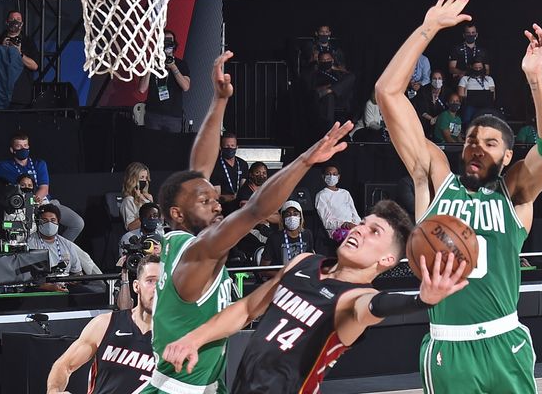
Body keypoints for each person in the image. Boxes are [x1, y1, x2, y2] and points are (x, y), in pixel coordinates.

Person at [376, 0, 542, 393]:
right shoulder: (434, 175)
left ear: (508, 154)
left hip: (506, 341)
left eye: (491, 143)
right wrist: (427, 28)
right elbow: (387, 94)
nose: (478, 148)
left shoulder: (516, 193)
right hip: (451, 345)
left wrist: (536, 78)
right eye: (472, 140)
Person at [142, 50, 356, 393]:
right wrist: (304, 160)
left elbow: (198, 169)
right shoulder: (199, 252)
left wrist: (219, 101)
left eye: (215, 197)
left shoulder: (180, 240)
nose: (215, 204)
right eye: (205, 201)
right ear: (177, 215)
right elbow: (255, 211)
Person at [161, 200, 467, 394]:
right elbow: (246, 308)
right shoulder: (303, 262)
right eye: (362, 222)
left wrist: (421, 301)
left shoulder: (355, 299)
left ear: (387, 260)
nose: (359, 229)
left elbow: (375, 307)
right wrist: (194, 338)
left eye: (374, 232)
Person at [46, 255, 159, 394]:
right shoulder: (105, 324)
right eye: (150, 281)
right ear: (136, 286)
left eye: (161, 282)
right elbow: (64, 365)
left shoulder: (177, 338)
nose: (156, 288)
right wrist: (54, 390)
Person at [0, 131, 85, 241]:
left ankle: (60, 248)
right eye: (19, 146)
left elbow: (44, 188)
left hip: (44, 202)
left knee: (77, 223)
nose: (23, 149)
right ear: (12, 149)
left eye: (25, 145)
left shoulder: (39, 164)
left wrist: (35, 202)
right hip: (21, 209)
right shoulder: (4, 166)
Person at [27, 204, 102, 293]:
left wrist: (74, 280)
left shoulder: (67, 244)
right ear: (38, 222)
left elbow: (77, 273)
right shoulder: (30, 243)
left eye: (53, 220)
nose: (49, 223)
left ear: (58, 222)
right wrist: (50, 287)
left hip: (64, 286)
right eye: (45, 220)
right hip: (41, 288)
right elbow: (29, 277)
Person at [139, 29, 191, 132]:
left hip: (173, 115)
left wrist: (173, 67)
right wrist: (150, 66)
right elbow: (142, 89)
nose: (167, 44)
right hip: (153, 114)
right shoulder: (151, 63)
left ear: (174, 44)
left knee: (171, 146)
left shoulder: (181, 64)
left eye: (169, 42)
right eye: (164, 41)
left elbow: (186, 87)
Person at [0, 10, 39, 109]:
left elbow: (34, 66)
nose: (15, 22)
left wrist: (19, 53)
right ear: (7, 22)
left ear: (22, 24)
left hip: (19, 97)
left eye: (18, 19)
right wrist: (1, 48)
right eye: (12, 19)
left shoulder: (28, 42)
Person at [260, 200, 314, 277]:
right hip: (281, 280)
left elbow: (311, 261)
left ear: (300, 217)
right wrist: (284, 275)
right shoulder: (275, 238)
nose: (292, 217)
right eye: (288, 214)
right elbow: (263, 270)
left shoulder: (307, 234)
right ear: (283, 218)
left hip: (302, 279)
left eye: (295, 214)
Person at [315, 163, 361, 241]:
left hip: (352, 228)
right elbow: (327, 222)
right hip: (336, 231)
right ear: (323, 177)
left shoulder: (345, 193)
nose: (331, 176)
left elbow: (354, 213)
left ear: (338, 177)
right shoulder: (321, 195)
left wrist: (358, 225)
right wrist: (344, 224)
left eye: (334, 174)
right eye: (328, 174)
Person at [209, 132, 248, 212]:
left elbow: (244, 187)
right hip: (223, 209)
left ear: (237, 147)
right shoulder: (215, 166)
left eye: (232, 146)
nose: (230, 148)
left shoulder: (242, 164)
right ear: (221, 148)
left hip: (241, 207)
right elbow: (216, 197)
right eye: (226, 146)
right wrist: (232, 197)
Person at [457, 57, 495, 126]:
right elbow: (460, 95)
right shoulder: (465, 79)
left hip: (485, 105)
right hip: (470, 105)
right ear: (471, 67)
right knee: (467, 117)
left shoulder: (489, 79)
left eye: (480, 68)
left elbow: (492, 95)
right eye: (476, 68)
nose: (478, 70)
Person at [120, 162, 154, 231]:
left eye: (146, 178)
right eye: (142, 177)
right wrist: (149, 212)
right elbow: (130, 227)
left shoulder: (147, 197)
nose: (144, 180)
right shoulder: (129, 200)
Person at [414, 70, 448, 137]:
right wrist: (431, 119)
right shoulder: (423, 90)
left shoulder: (447, 92)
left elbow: (448, 109)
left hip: (441, 119)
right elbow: (421, 108)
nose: (437, 81)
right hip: (426, 119)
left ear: (442, 80)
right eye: (434, 78)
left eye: (439, 78)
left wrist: (437, 118)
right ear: (431, 80)